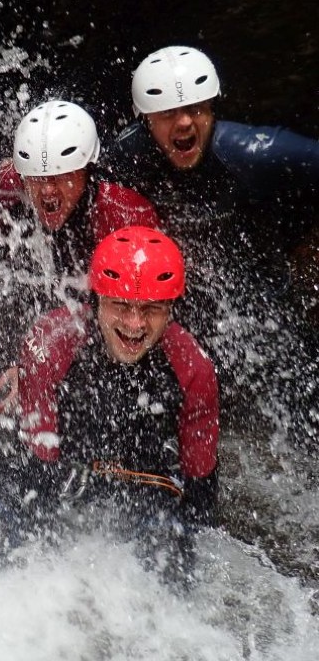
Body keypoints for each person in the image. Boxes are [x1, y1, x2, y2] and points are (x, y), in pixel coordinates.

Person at [97, 45, 319, 430]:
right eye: (168, 113)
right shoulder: (127, 156)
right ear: (145, 120)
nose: (184, 122)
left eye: (196, 109)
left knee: (301, 406)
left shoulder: (252, 152)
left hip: (261, 295)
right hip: (188, 299)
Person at [0, 226, 219, 582]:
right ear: (96, 299)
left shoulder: (194, 369)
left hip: (145, 489)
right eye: (121, 305)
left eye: (151, 309)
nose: (134, 324)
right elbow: (38, 470)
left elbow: (200, 484)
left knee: (173, 571)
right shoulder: (50, 345)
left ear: (171, 310)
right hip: (61, 472)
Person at [0, 100, 160, 400]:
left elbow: (138, 314)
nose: (48, 190)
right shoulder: (10, 186)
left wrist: (34, 360)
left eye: (62, 176)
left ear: (86, 171)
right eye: (38, 178)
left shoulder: (124, 215)